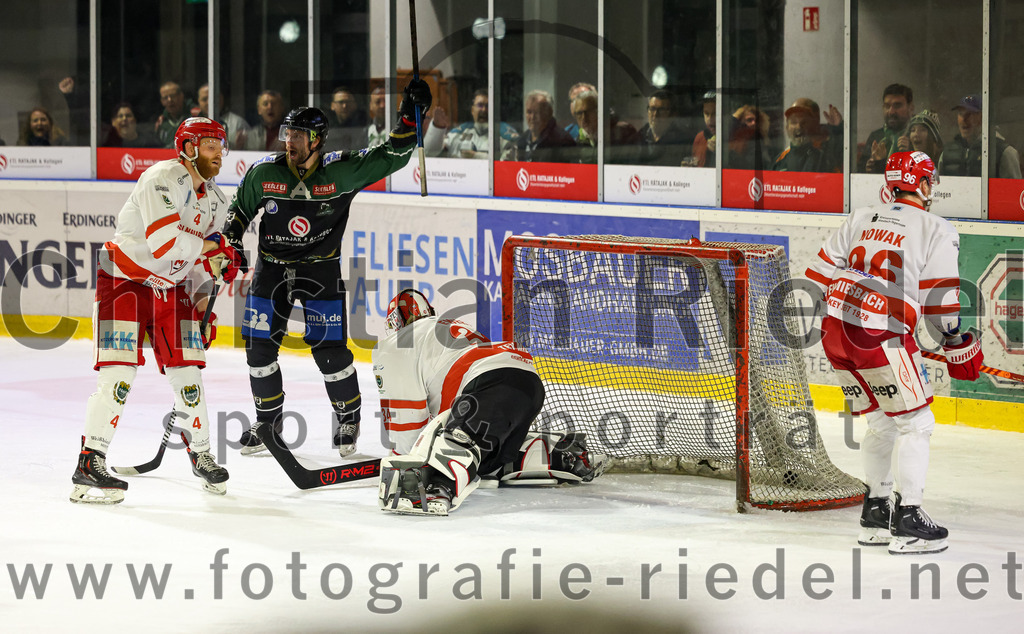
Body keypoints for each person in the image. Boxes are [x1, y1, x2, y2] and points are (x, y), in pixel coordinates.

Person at [224, 80, 433, 458]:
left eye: (300, 135)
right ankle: (268, 422)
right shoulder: (263, 172)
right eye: (289, 133)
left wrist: (410, 115)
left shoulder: (343, 172)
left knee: (331, 353)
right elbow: (238, 212)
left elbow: (394, 153)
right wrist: (233, 240)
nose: (290, 141)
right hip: (271, 271)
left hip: (320, 272)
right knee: (258, 349)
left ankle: (348, 417)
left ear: (318, 140)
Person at [805, 151, 984, 554]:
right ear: (922, 184)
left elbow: (816, 276)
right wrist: (955, 344)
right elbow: (941, 306)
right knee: (916, 424)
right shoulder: (936, 228)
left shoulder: (861, 216)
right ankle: (909, 523)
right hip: (880, 336)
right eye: (929, 181)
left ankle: (875, 515)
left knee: (883, 426)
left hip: (835, 332)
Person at [70, 117, 241, 505]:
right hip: (124, 282)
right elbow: (165, 243)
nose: (219, 152)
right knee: (119, 376)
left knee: (190, 375)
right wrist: (215, 251)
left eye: (221, 144)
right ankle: (89, 462)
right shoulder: (161, 178)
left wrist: (202, 303)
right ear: (188, 147)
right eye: (210, 144)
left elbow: (204, 260)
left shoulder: (216, 199)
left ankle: (201, 453)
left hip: (172, 289)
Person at [373, 289, 608, 516]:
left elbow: (406, 422)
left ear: (394, 324)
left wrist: (409, 461)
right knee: (485, 462)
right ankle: (554, 453)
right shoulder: (445, 329)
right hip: (527, 383)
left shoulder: (399, 343)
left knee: (452, 447)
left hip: (489, 386)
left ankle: (434, 486)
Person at [939, 94, 1021, 179]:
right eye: (960, 113)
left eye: (969, 114)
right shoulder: (946, 153)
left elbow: (1014, 190)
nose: (963, 119)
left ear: (982, 116)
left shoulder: (1004, 152)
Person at [423, 89, 518, 159]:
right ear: (472, 110)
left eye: (488, 106)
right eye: (480, 105)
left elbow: (510, 165)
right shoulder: (458, 133)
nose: (484, 110)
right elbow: (429, 153)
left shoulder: (505, 134)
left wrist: (477, 156)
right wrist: (437, 128)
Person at [569, 90, 639, 164]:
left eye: (589, 112)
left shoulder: (623, 133)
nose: (584, 118)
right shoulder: (579, 141)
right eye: (579, 113)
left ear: (599, 111)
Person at [857, 83, 914, 173]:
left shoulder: (918, 136)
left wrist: (912, 152)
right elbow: (858, 174)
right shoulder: (876, 136)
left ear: (910, 108)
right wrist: (869, 167)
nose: (891, 111)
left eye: (897, 106)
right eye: (887, 106)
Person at [772, 98, 838, 173]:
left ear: (815, 125)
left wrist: (837, 129)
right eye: (793, 122)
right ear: (787, 128)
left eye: (804, 122)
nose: (798, 127)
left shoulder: (826, 157)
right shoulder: (779, 160)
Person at [515, 89, 578, 163]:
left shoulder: (563, 141)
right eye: (529, 112)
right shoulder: (522, 140)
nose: (532, 117)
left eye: (537, 112)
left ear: (549, 112)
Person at [636, 90, 688, 166]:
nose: (655, 115)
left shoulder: (682, 141)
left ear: (673, 114)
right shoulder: (638, 137)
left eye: (661, 110)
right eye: (652, 109)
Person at [198, 84, 250, 150]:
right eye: (204, 99)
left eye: (213, 98)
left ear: (221, 98)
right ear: (199, 102)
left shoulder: (238, 123)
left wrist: (237, 148)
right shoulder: (192, 125)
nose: (209, 102)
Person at [727, 104, 774, 169]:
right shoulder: (736, 138)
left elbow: (748, 164)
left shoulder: (758, 140)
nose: (754, 123)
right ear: (740, 123)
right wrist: (735, 118)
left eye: (757, 120)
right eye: (749, 120)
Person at [323, 86, 369, 152]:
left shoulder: (364, 125)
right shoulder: (326, 128)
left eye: (348, 102)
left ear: (355, 104)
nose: (344, 106)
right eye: (341, 102)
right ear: (332, 105)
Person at [154, 81, 197, 149]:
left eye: (173, 96)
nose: (170, 100)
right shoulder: (161, 122)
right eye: (165, 98)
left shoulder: (195, 116)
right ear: (162, 101)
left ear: (181, 96)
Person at [690, 90, 716, 167]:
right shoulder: (700, 137)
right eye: (706, 114)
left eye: (715, 114)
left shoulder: (737, 137)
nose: (710, 119)